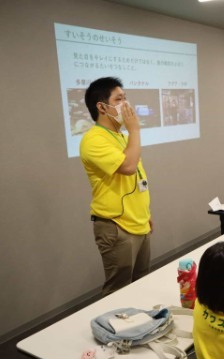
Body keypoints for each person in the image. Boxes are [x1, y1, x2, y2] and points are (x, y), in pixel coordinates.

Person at [80, 77, 153, 296]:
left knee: (141, 285)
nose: (126, 105)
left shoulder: (120, 136)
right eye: (119, 99)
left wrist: (145, 213)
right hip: (116, 226)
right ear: (102, 107)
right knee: (118, 292)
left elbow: (135, 179)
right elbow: (129, 167)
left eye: (125, 98)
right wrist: (135, 130)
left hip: (139, 221)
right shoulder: (93, 140)